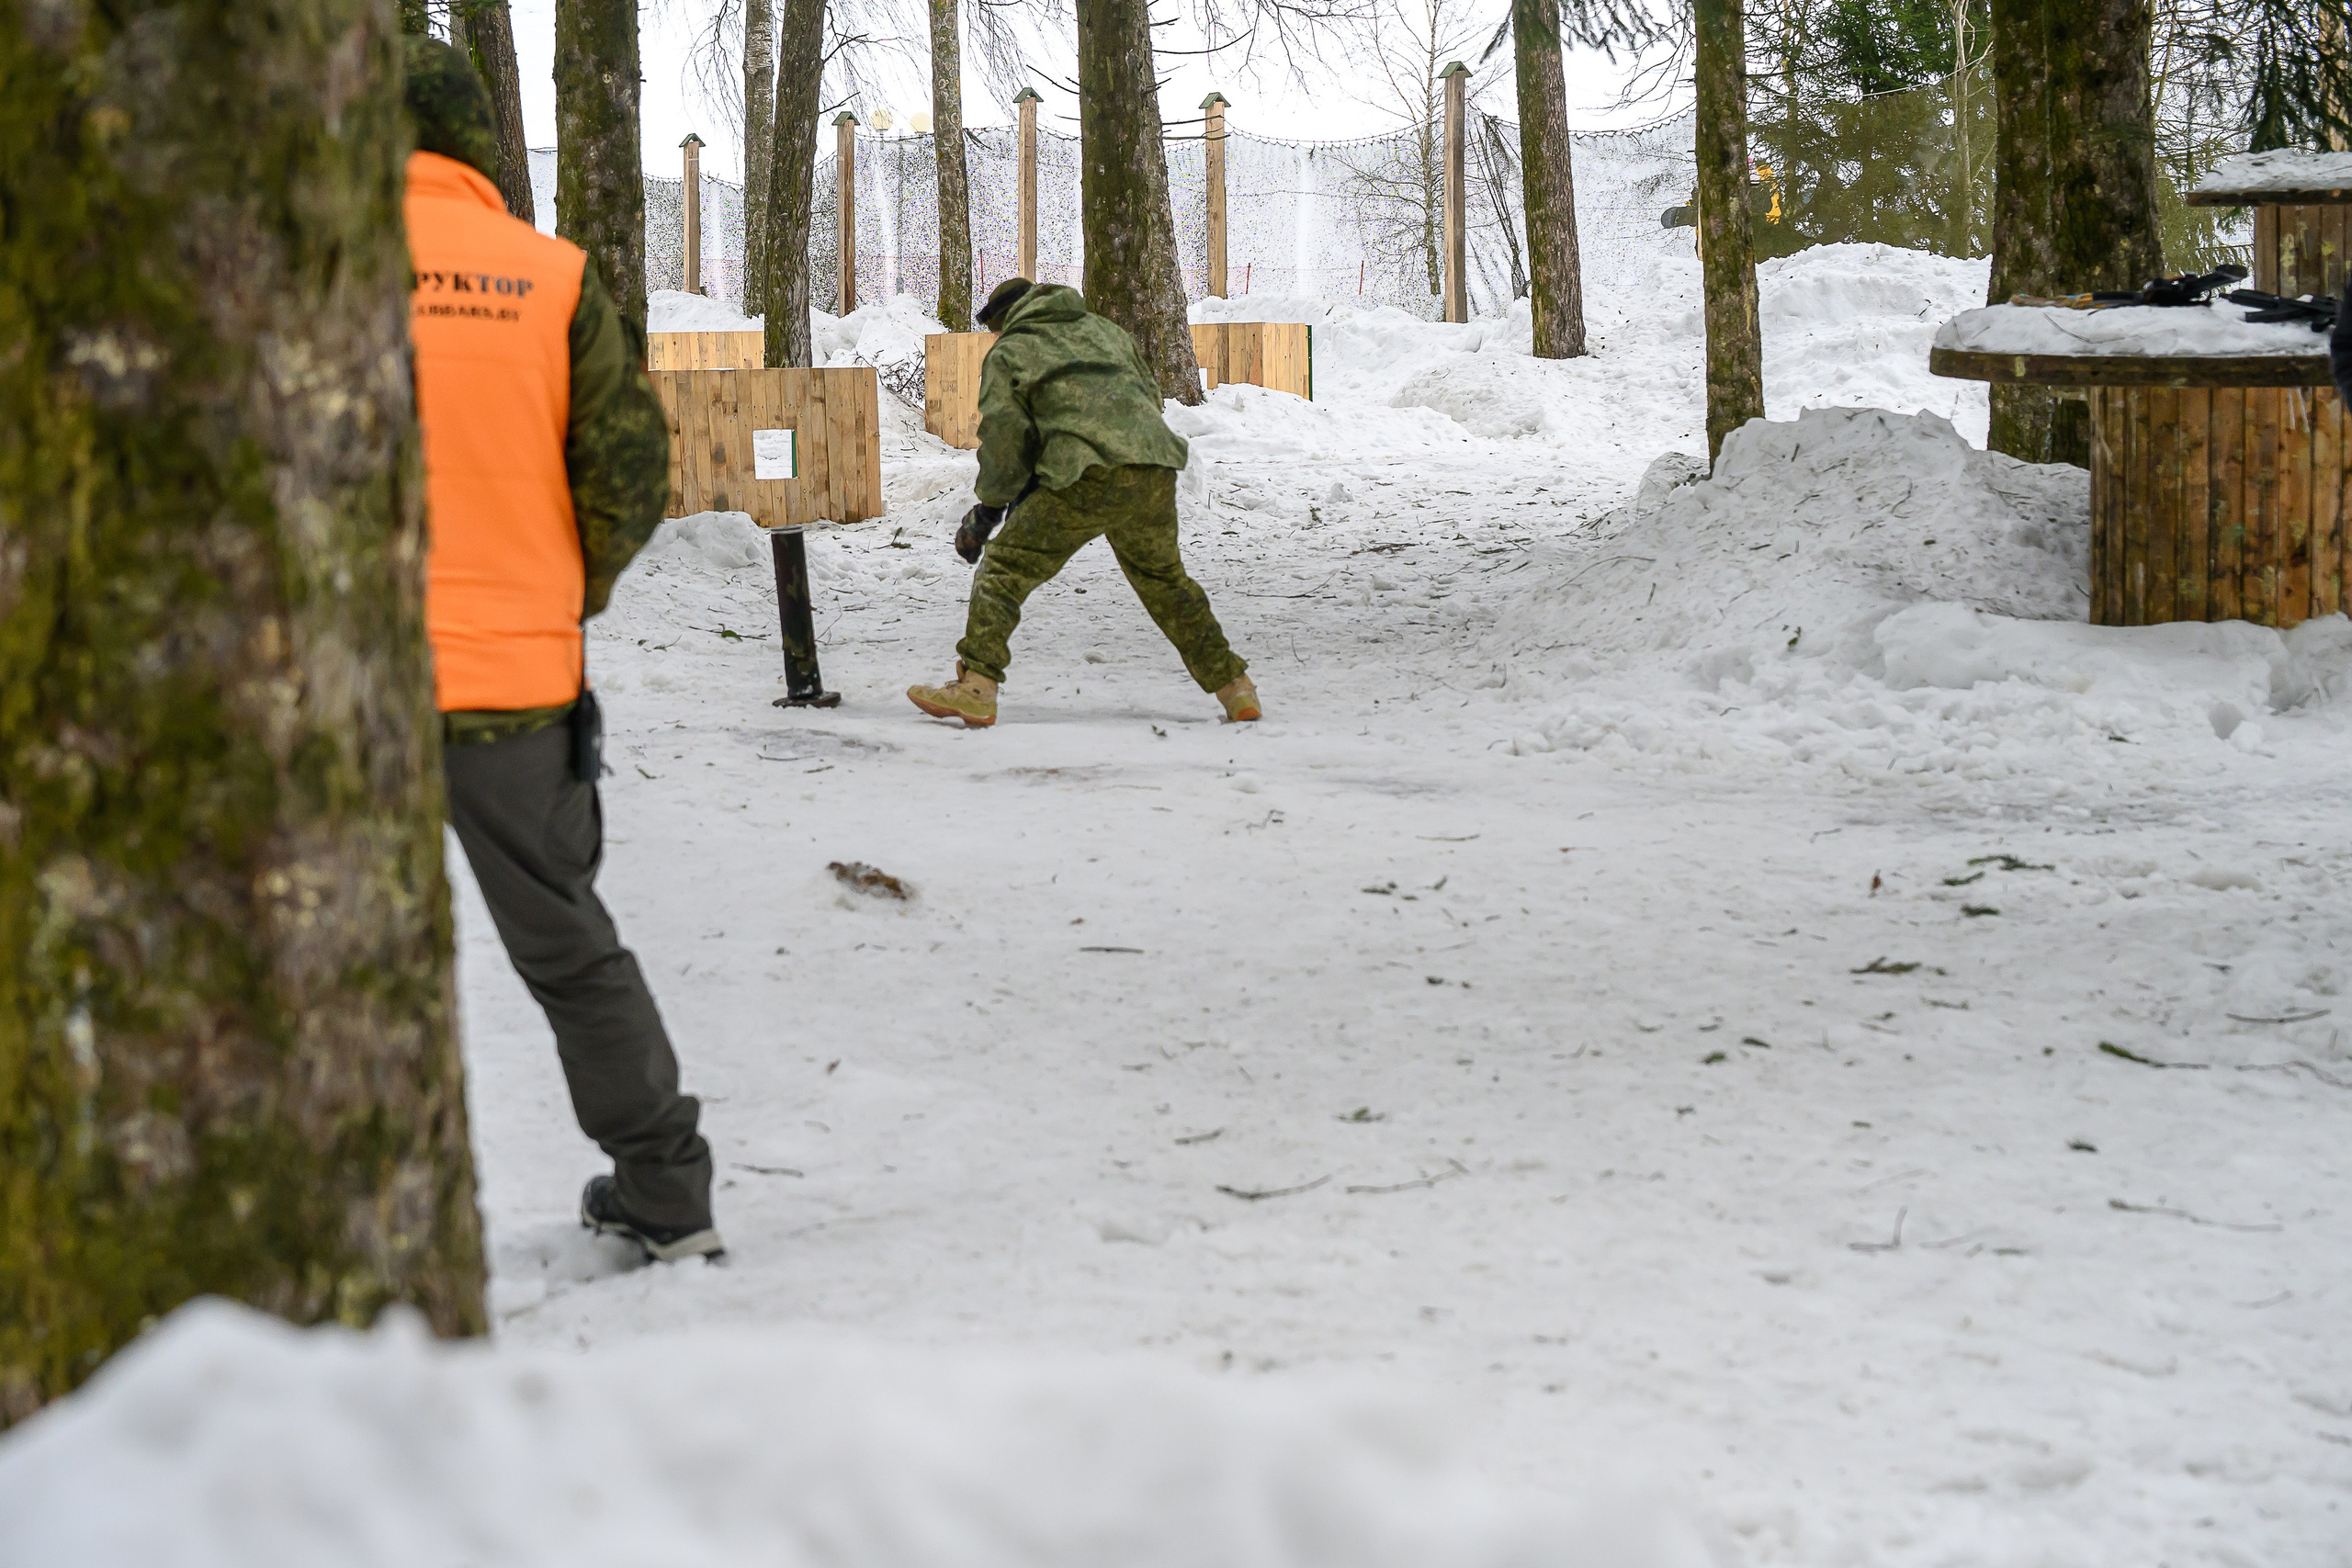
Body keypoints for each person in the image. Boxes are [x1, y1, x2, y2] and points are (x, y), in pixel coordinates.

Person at [402, 39, 720, 1263]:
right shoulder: (551, 277)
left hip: (326, 685)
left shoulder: (288, 266)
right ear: (476, 142)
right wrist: (554, 592)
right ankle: (667, 1190)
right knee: (571, 945)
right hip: (512, 682)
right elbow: (629, 476)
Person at [907, 278, 1261, 728]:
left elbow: (1004, 439)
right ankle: (1236, 688)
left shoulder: (1011, 351)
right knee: (1165, 582)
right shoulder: (1106, 332)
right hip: (1152, 465)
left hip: (1081, 475)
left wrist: (988, 511)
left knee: (1003, 571)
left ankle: (976, 688)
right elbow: (1148, 397)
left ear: (1003, 320)